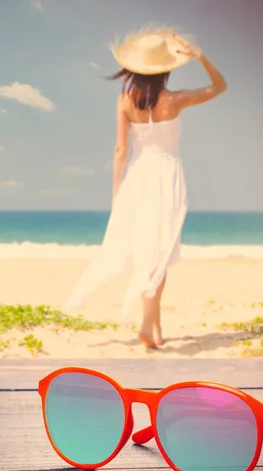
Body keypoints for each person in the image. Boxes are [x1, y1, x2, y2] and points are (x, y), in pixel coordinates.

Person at [63, 26, 227, 349]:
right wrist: (199, 56)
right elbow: (220, 86)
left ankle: (155, 326)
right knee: (159, 255)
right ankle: (145, 325)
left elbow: (120, 151)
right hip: (167, 177)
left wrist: (116, 195)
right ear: (165, 69)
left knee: (151, 253)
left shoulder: (124, 100)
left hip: (138, 178)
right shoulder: (176, 100)